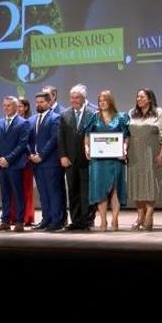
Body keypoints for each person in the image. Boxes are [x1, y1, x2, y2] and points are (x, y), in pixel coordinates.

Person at [85, 90, 129, 232]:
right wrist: (87, 149)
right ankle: (103, 219)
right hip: (98, 161)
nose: (102, 103)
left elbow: (126, 137)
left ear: (110, 101)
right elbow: (87, 136)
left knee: (115, 190)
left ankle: (115, 219)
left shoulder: (121, 117)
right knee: (100, 190)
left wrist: (124, 149)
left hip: (116, 159)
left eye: (104, 100)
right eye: (100, 101)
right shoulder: (93, 117)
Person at [127, 88, 162, 231]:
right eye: (137, 97)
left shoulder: (159, 113)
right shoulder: (131, 114)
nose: (139, 99)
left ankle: (149, 214)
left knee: (151, 184)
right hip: (134, 154)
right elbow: (127, 134)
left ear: (150, 99)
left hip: (151, 153)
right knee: (137, 184)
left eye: (142, 97)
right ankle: (140, 216)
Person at [58, 84, 96, 231]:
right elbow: (60, 138)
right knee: (73, 191)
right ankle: (75, 220)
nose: (73, 100)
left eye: (77, 97)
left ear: (84, 98)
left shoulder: (92, 114)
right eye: (72, 97)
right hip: (70, 160)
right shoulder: (64, 115)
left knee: (87, 192)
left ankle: (87, 221)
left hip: (88, 160)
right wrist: (62, 156)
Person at [0, 96, 30, 232]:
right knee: (5, 194)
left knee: (18, 193)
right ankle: (5, 220)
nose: (5, 108)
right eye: (4, 105)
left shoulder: (23, 123)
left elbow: (22, 145)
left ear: (15, 107)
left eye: (8, 105)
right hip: (1, 165)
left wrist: (8, 159)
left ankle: (19, 221)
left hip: (15, 165)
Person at [29, 91, 65, 231]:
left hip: (50, 162)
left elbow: (53, 140)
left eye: (42, 102)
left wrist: (41, 155)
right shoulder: (32, 120)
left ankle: (56, 221)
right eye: (37, 102)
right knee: (43, 192)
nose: (39, 104)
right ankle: (46, 219)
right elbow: (28, 140)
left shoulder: (56, 118)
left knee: (53, 192)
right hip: (36, 163)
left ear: (49, 103)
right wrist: (31, 154)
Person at [15, 98, 36, 226]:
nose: (18, 109)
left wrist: (30, 154)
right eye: (16, 106)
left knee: (26, 189)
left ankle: (27, 217)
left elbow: (31, 142)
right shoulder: (10, 122)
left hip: (26, 160)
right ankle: (14, 216)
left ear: (26, 108)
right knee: (14, 190)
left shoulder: (30, 122)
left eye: (20, 106)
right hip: (13, 161)